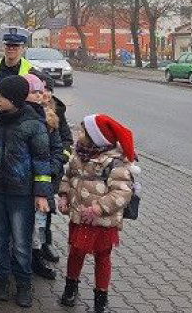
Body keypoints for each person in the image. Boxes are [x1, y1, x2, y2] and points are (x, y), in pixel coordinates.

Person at [0, 75, 52, 308]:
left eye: (2, 96)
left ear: (15, 100)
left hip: (21, 193)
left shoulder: (34, 124)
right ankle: (1, 280)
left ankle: (23, 284)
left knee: (21, 243)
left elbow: (42, 161)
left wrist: (41, 193)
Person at [59, 115, 138, 313]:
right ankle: (71, 287)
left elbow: (122, 192)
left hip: (102, 220)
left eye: (83, 131)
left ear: (96, 137)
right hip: (79, 216)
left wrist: (98, 207)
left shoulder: (115, 162)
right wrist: (63, 195)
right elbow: (68, 176)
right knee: (75, 253)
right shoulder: (79, 154)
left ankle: (100, 297)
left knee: (103, 257)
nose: (78, 134)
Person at [22, 73, 64, 282]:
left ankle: (36, 257)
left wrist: (49, 169)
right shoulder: (16, 117)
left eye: (41, 91)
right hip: (20, 182)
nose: (39, 96)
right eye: (33, 92)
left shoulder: (50, 120)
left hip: (42, 181)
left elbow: (57, 150)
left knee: (38, 223)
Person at [33, 70, 72, 265]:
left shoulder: (58, 112)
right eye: (41, 88)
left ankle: (45, 243)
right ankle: (35, 249)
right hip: (34, 172)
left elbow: (66, 141)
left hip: (52, 171)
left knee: (46, 210)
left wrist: (58, 162)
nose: (45, 93)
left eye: (48, 89)